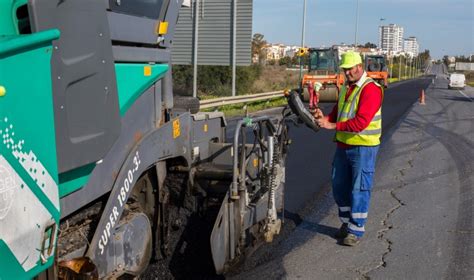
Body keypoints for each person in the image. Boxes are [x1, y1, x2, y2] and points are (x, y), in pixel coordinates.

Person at [313, 51, 383, 246]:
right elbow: (337, 113)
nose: (346, 73)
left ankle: (355, 230)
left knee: (359, 188)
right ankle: (345, 223)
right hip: (344, 145)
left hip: (363, 147)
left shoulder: (371, 89)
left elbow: (361, 122)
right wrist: (324, 119)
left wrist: (332, 126)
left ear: (359, 67)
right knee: (339, 186)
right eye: (344, 70)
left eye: (349, 69)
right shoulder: (346, 87)